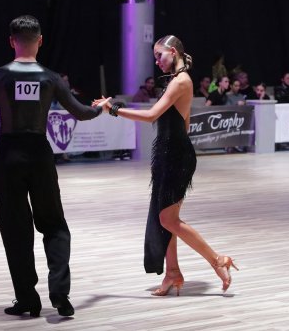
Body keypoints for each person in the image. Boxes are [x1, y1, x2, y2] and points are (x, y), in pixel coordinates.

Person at [0, 15, 107, 318]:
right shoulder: (51, 78)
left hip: (9, 157)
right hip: (40, 156)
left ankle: (28, 299)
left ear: (11, 41)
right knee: (54, 224)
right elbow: (80, 112)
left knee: (15, 230)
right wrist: (101, 108)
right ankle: (60, 292)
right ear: (40, 41)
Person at [95, 35, 238, 296]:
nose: (157, 61)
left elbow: (151, 115)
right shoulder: (176, 80)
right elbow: (184, 122)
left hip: (175, 157)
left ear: (173, 52)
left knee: (167, 219)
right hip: (168, 154)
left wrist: (113, 109)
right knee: (166, 218)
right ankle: (173, 273)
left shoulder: (181, 81)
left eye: (159, 55)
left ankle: (218, 260)